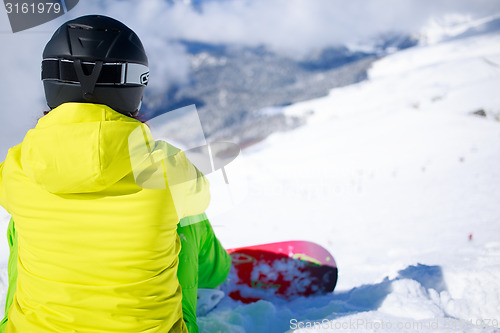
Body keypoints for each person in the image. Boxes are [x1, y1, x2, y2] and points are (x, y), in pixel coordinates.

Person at [0, 15, 230, 333]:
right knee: (186, 219)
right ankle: (218, 274)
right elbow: (201, 197)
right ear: (134, 85)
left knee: (20, 224)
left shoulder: (17, 167)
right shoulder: (167, 167)